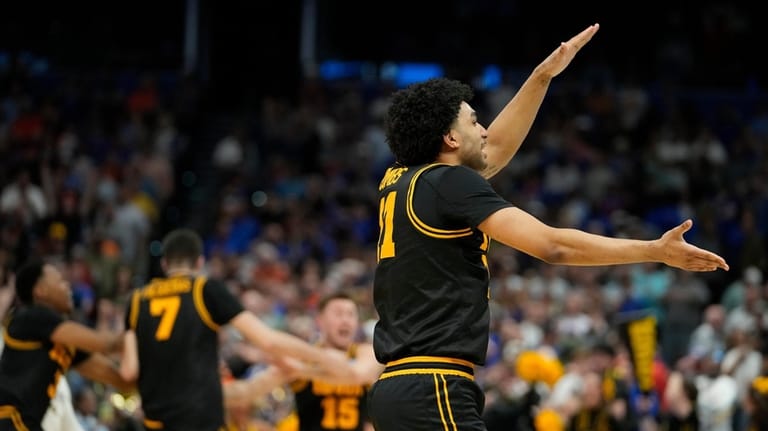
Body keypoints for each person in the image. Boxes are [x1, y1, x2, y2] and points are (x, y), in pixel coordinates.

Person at [367, 22, 730, 431]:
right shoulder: (449, 183)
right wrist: (653, 251)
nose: (484, 129)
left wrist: (542, 77)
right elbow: (552, 246)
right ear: (450, 138)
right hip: (434, 386)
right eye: (473, 122)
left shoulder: (402, 180)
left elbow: (495, 150)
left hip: (399, 387)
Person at [119, 228, 350, 431]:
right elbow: (267, 341)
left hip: (155, 421)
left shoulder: (137, 300)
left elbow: (128, 371)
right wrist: (322, 357)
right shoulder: (204, 289)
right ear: (199, 263)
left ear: (164, 264)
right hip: (200, 419)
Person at [0, 259, 133, 431]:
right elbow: (107, 344)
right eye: (60, 281)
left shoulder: (64, 344)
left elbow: (120, 380)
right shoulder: (30, 317)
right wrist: (143, 319)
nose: (68, 286)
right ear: (40, 291)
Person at [227, 291, 384, 431]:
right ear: (320, 321)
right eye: (338, 314)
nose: (345, 320)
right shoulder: (301, 359)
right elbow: (253, 389)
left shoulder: (365, 352)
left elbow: (356, 374)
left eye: (350, 314)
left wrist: (301, 369)